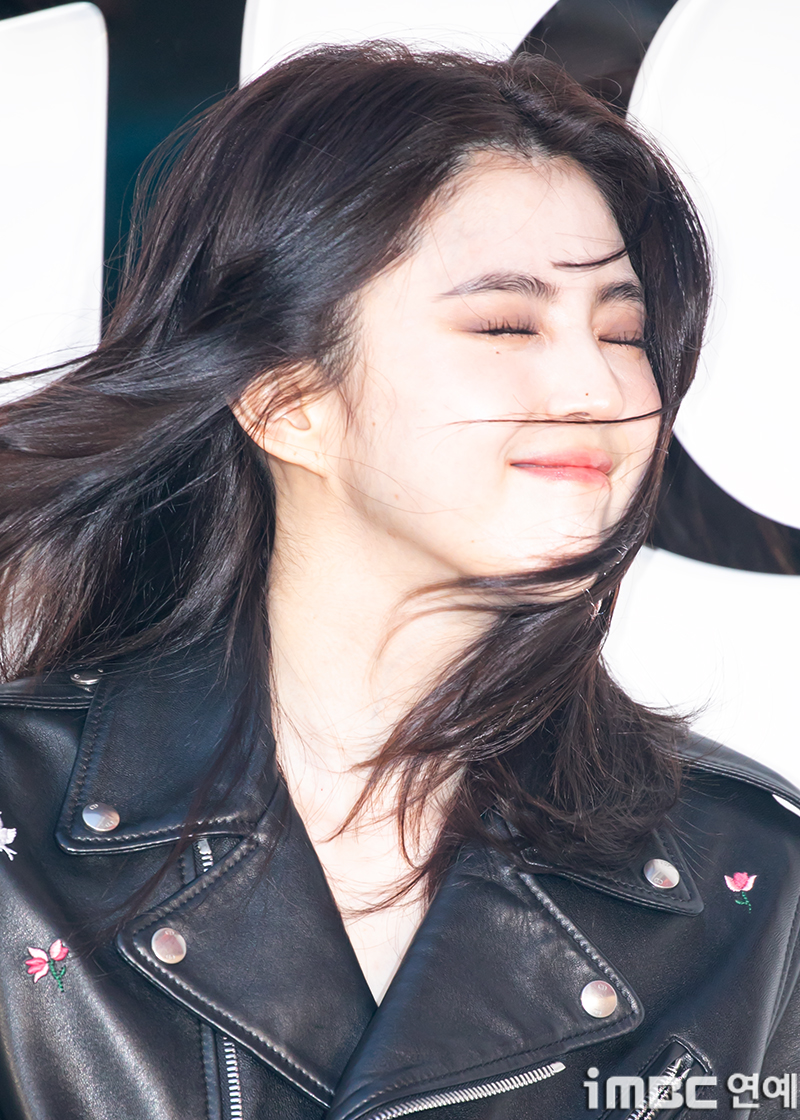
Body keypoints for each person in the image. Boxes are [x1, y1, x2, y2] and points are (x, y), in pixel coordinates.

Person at [0, 43, 798, 1120]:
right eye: (504, 325)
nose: (599, 386)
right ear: (286, 400)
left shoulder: (750, 873)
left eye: (623, 330)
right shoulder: (18, 838)